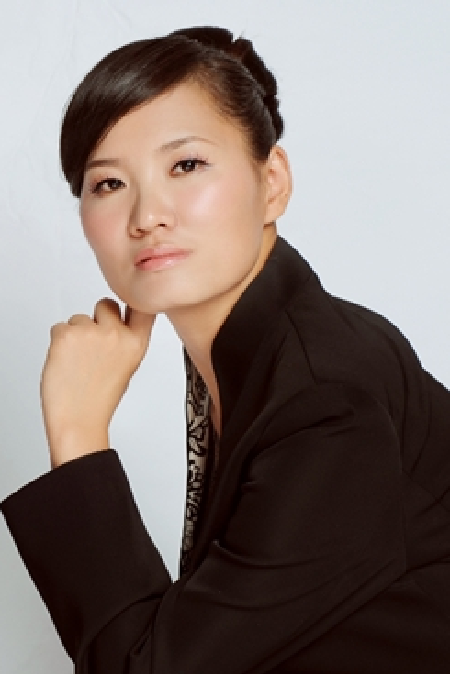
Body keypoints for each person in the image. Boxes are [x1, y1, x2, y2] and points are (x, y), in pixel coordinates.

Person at [2, 25, 450, 674]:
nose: (147, 216)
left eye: (186, 165)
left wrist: (77, 436)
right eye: (108, 184)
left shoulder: (327, 402)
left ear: (273, 182)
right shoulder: (259, 354)